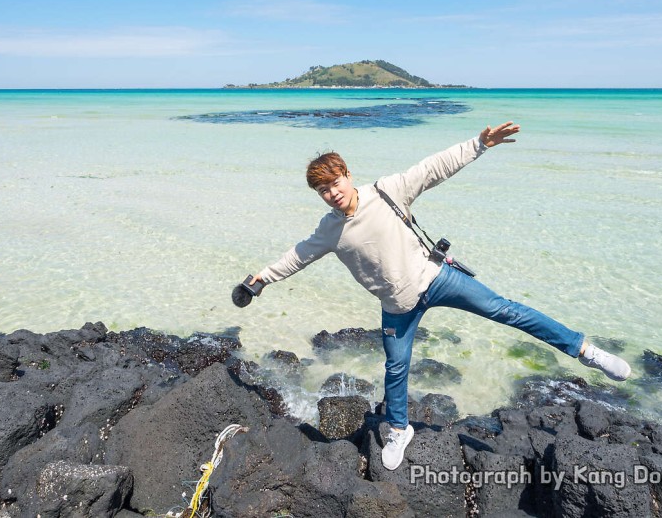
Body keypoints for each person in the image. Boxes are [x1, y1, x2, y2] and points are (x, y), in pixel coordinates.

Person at [246, 121, 630, 471]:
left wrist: (479, 144)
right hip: (397, 306)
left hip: (437, 278)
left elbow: (433, 168)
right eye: (322, 190)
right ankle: (399, 430)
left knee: (506, 311)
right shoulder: (330, 229)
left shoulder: (386, 190)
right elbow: (298, 255)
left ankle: (585, 351)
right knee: (395, 369)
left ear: (348, 175)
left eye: (335, 183)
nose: (331, 193)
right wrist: (261, 278)